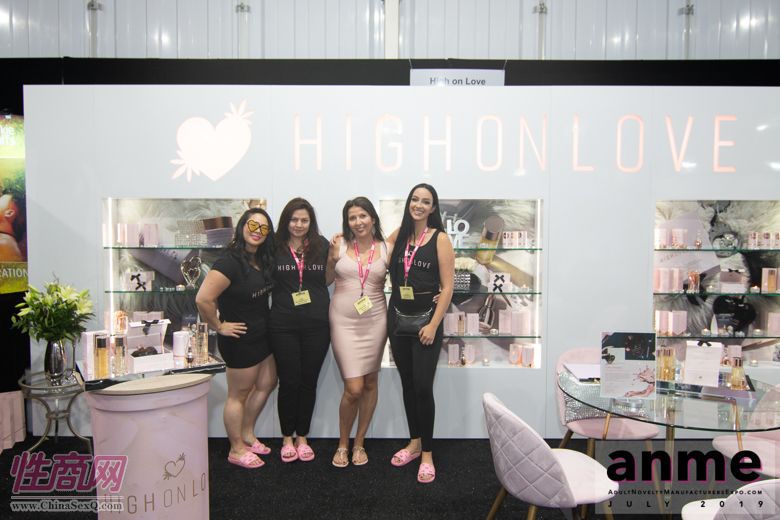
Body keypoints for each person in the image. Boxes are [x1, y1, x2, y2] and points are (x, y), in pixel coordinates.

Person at [196, 208, 277, 469]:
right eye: (253, 225)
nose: (257, 232)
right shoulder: (229, 262)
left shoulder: (260, 259)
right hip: (240, 339)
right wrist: (219, 326)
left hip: (262, 335)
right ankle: (236, 449)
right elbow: (203, 299)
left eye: (263, 228)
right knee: (238, 395)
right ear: (242, 226)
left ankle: (247, 433)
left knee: (267, 383)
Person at [387, 183, 454, 484]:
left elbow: (448, 287)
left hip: (427, 323)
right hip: (397, 321)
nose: (418, 205)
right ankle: (414, 443)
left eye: (425, 201)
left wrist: (434, 324)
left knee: (423, 387)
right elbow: (373, 251)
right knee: (408, 384)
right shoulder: (399, 235)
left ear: (433, 208)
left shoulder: (440, 239)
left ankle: (427, 453)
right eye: (414, 199)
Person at [270, 197, 333, 463]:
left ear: (311, 222)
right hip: (282, 325)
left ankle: (303, 436)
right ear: (286, 220)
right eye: (294, 219)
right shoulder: (274, 246)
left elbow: (327, 279)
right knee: (288, 381)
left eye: (304, 220)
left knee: (308, 381)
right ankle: (287, 437)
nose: (298, 224)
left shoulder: (322, 245)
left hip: (317, 324)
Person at [328, 197, 390, 468]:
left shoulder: (386, 247)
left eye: (363, 215)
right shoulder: (339, 245)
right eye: (352, 217)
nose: (358, 222)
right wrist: (331, 260)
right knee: (353, 388)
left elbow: (406, 277)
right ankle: (343, 443)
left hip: (375, 321)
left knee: (370, 383)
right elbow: (326, 279)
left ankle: (359, 443)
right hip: (343, 322)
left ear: (372, 218)